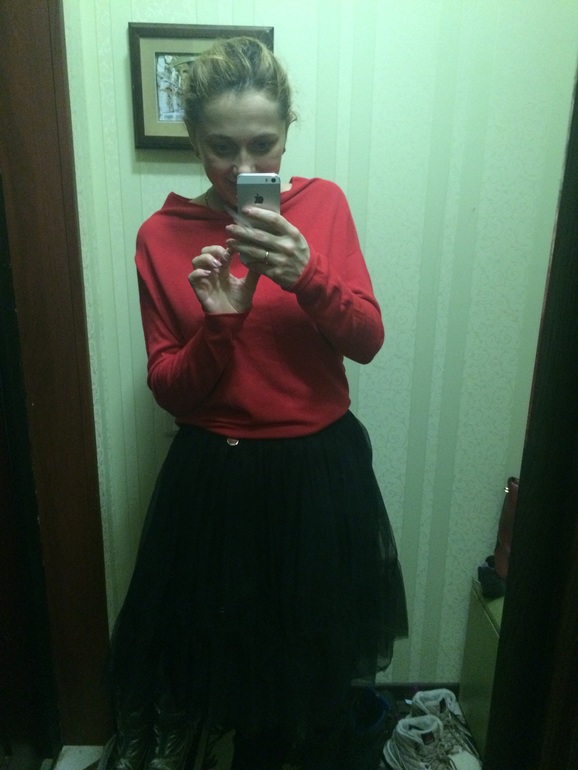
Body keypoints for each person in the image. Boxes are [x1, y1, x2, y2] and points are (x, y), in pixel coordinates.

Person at [99, 36, 408, 770]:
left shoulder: (322, 205)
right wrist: (221, 325)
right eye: (221, 148)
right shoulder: (160, 237)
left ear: (287, 132)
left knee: (312, 679)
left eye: (262, 145)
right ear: (193, 141)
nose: (243, 169)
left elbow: (366, 341)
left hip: (319, 473)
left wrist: (308, 275)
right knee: (226, 673)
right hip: (216, 480)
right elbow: (169, 388)